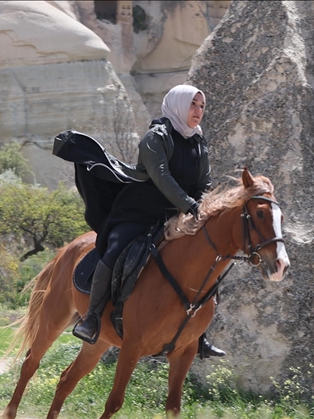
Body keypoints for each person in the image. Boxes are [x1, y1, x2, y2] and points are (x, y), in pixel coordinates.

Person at [72, 84, 226, 359]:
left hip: (176, 216)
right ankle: (92, 317)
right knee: (116, 251)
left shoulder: (197, 141)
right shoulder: (156, 137)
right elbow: (161, 177)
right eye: (193, 105)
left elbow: (205, 182)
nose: (198, 111)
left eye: (202, 106)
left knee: (204, 261)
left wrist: (200, 206)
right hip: (139, 212)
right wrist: (188, 205)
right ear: (179, 105)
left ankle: (198, 335)